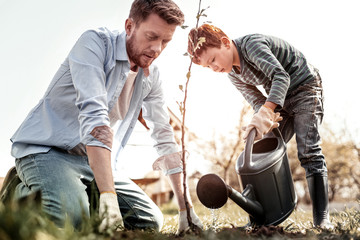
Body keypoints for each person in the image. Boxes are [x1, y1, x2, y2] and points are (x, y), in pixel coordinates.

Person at [2, 0, 203, 234]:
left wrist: (184, 208)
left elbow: (164, 135)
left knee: (149, 221)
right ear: (129, 26)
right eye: (151, 36)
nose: (157, 49)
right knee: (72, 219)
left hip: (90, 160)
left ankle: (78, 194)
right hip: (47, 151)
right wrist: (108, 197)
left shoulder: (151, 77)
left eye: (165, 41)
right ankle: (20, 191)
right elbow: (94, 115)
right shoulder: (94, 44)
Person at [187, 24, 333, 229]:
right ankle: (263, 216)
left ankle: (322, 218)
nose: (214, 68)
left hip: (305, 88)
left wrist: (267, 111)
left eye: (213, 59)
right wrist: (262, 120)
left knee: (308, 150)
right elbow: (257, 101)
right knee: (264, 152)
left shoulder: (252, 46)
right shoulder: (232, 74)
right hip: (281, 99)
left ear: (226, 43)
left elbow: (281, 76)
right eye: (208, 67)